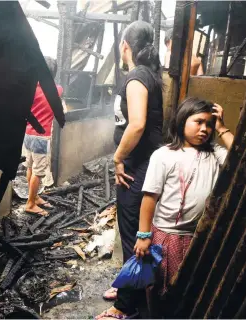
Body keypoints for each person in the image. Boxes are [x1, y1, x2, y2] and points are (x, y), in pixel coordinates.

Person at [133, 98, 234, 317]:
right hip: (167, 237)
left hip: (199, 237)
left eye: (209, 124)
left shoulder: (215, 154)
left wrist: (222, 127)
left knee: (193, 291)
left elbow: (242, 157)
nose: (204, 129)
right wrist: (143, 235)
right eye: (198, 122)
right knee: (163, 290)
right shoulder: (164, 155)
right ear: (182, 121)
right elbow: (150, 198)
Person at [97, 20, 164, 319]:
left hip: (137, 166)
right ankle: (129, 286)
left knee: (133, 234)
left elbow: (136, 124)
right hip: (143, 164)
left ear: (125, 45)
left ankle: (125, 307)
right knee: (131, 231)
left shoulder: (136, 76)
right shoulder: (149, 74)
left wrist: (117, 158)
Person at [23, 56, 65, 217]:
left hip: (27, 134)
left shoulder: (31, 89)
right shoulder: (57, 89)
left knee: (30, 167)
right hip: (41, 137)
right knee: (38, 172)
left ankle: (35, 197)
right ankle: (30, 203)